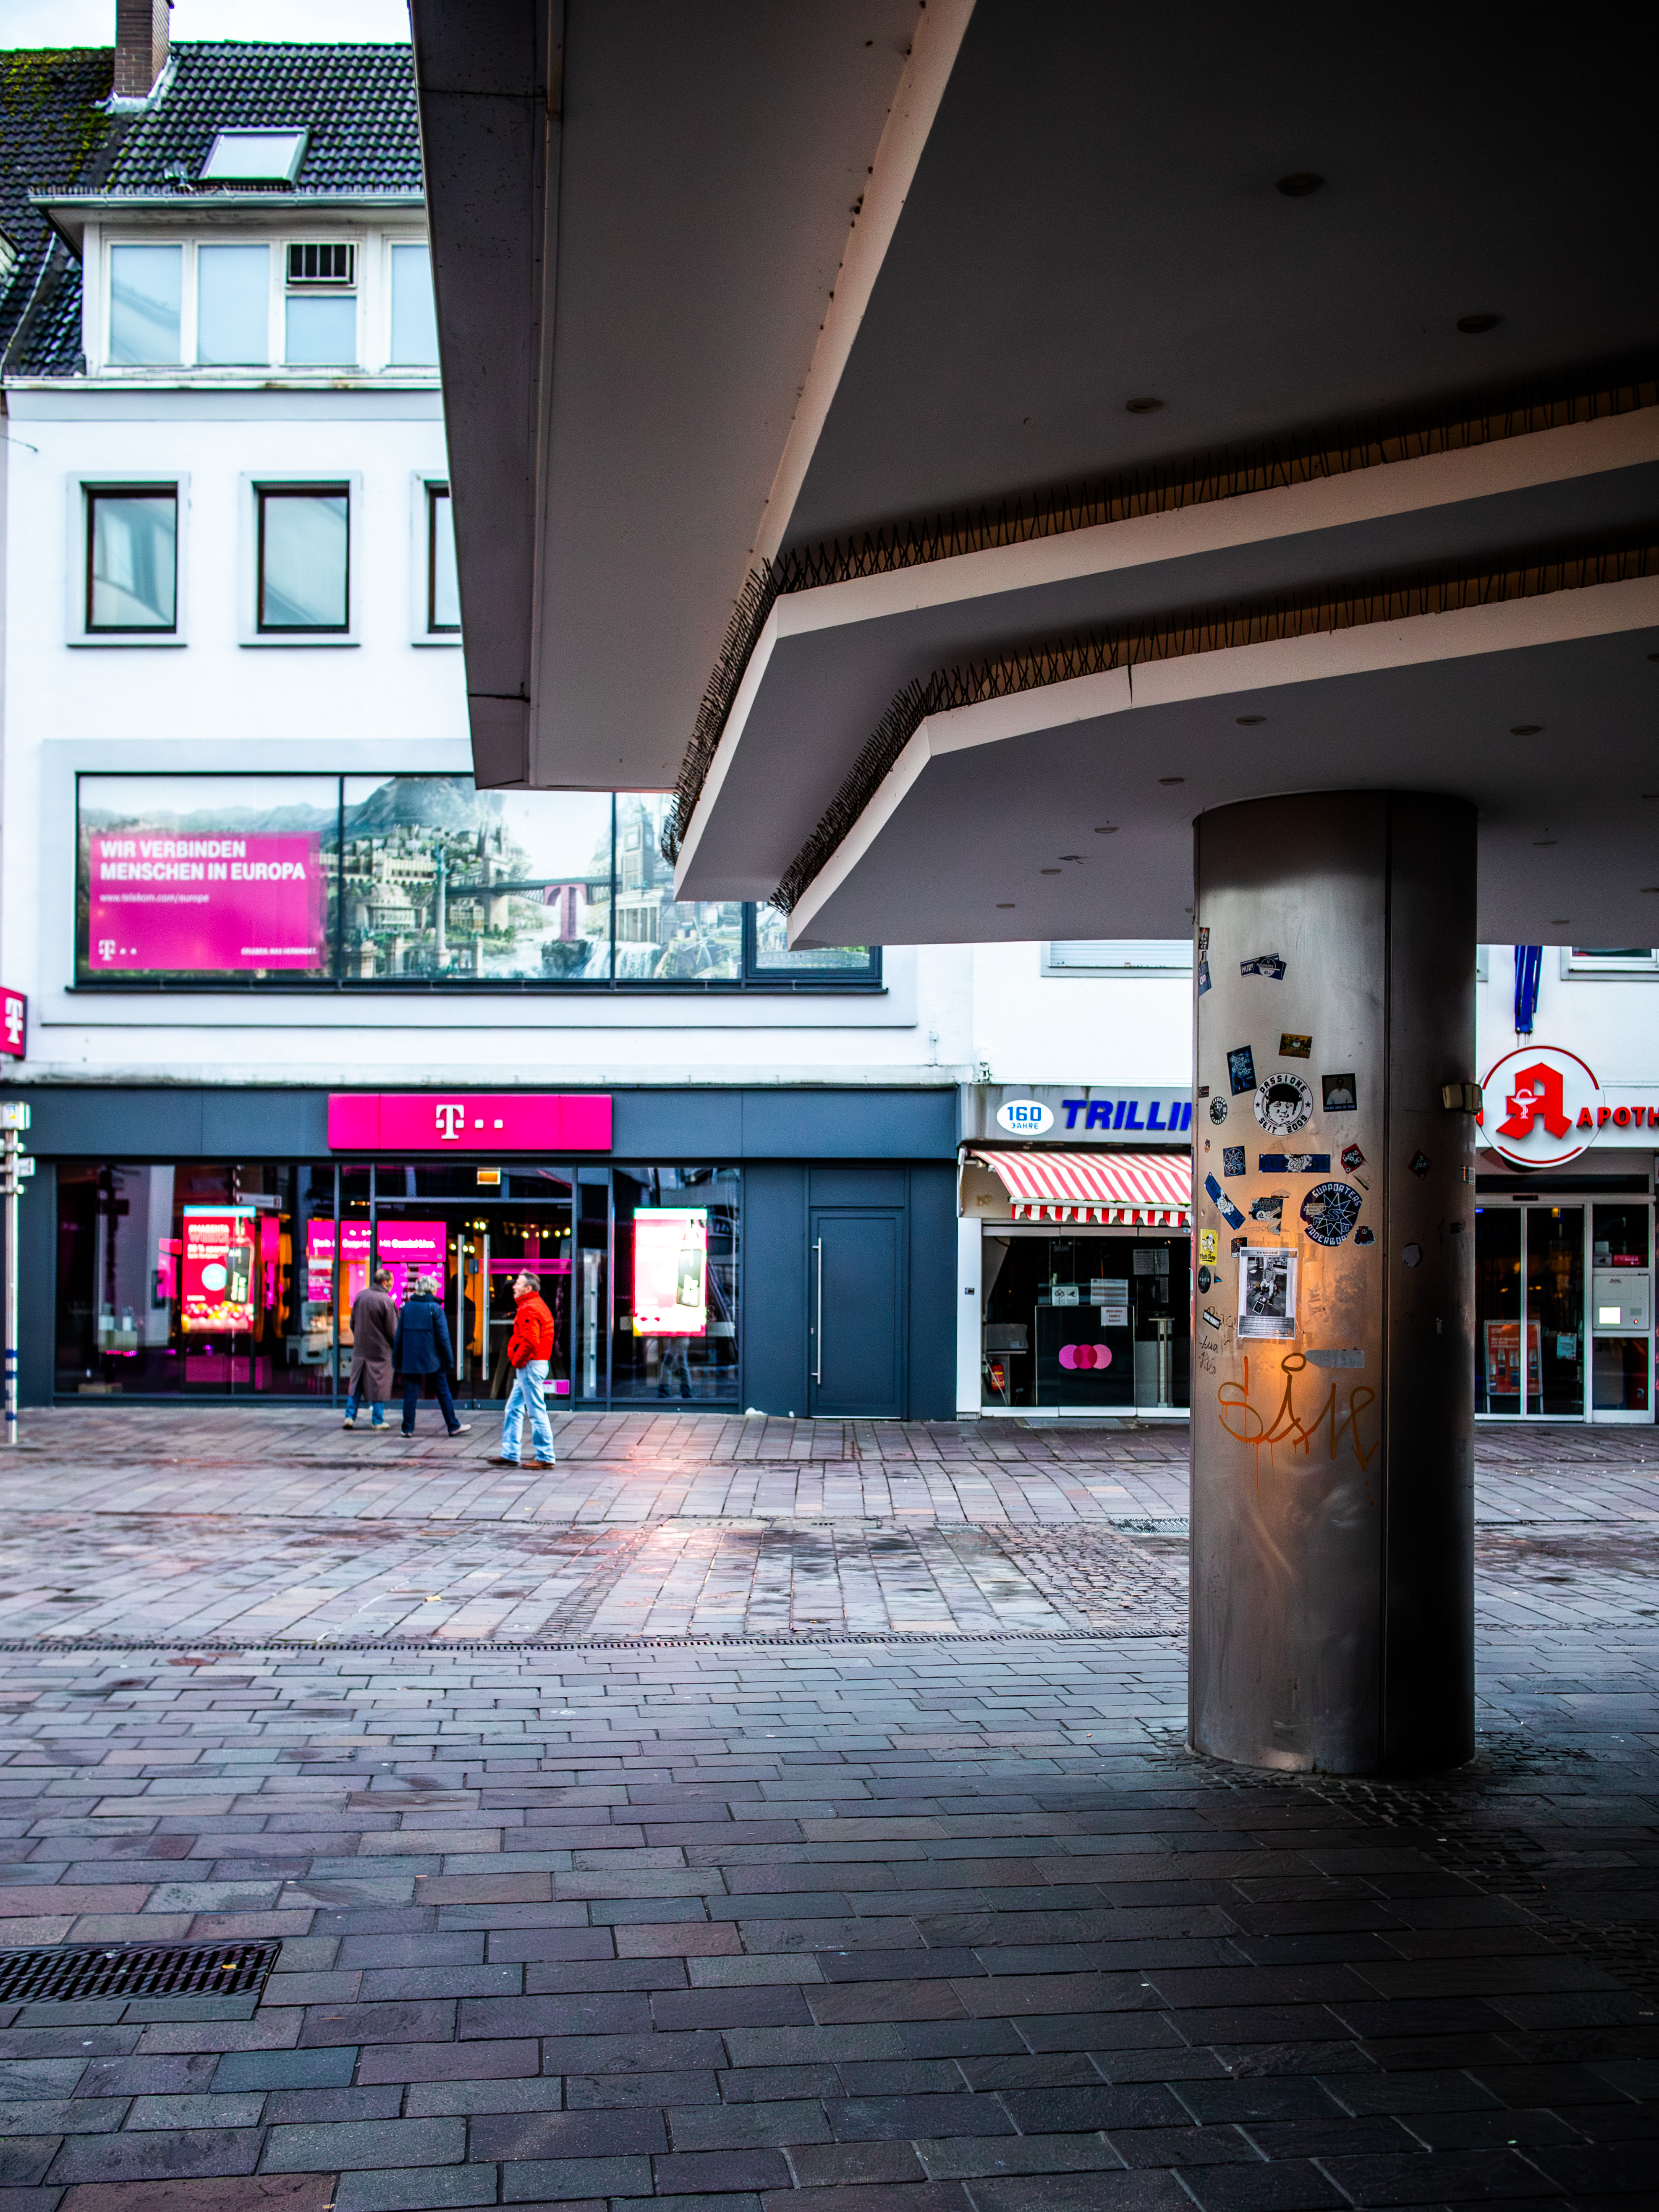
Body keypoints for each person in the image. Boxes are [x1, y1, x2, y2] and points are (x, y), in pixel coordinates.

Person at [393, 1276, 471, 1439]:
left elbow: (399, 1336)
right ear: (432, 1290)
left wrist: (397, 1358)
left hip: (411, 1357)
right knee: (443, 1391)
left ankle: (407, 1429)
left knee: (411, 1392)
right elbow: (444, 1338)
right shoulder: (435, 1308)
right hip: (433, 1357)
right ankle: (453, 1426)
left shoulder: (407, 1308)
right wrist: (449, 1360)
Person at [493, 1270, 555, 1467]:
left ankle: (546, 1456)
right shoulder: (535, 1305)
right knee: (513, 1408)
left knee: (536, 1411)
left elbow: (531, 1341)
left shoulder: (528, 1308)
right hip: (534, 1364)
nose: (514, 1286)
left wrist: (518, 1361)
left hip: (530, 1365)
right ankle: (510, 1453)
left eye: (518, 1284)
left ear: (528, 1289)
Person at [342, 1268, 397, 1429]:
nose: (393, 1284)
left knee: (357, 1383)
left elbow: (353, 1322)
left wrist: (360, 1338)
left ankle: (349, 1417)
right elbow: (393, 1332)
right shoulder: (387, 1301)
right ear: (385, 1282)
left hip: (361, 1349)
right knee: (380, 1385)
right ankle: (378, 1420)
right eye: (392, 1281)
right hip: (381, 1351)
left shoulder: (361, 1296)